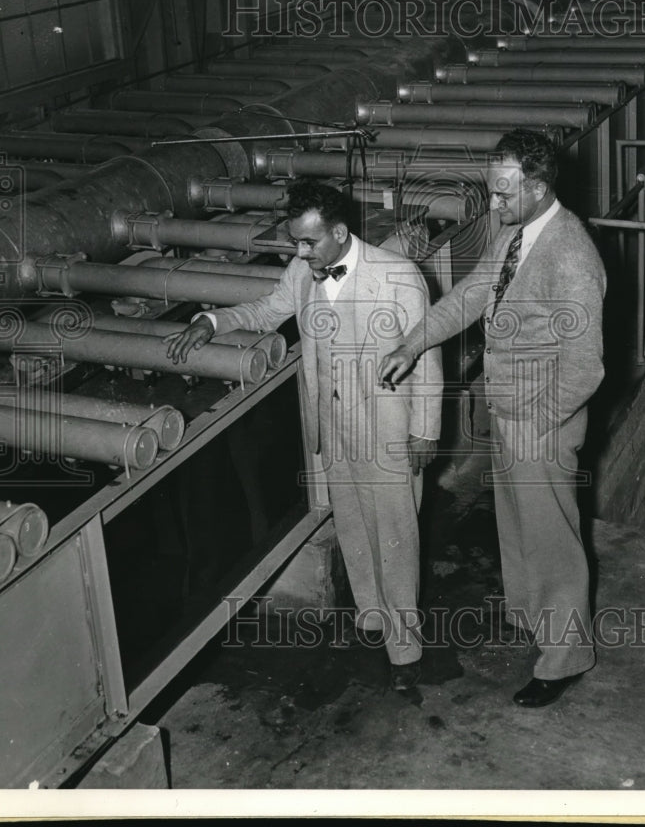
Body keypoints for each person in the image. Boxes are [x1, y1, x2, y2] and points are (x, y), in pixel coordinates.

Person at [165, 178, 443, 691]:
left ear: (339, 233)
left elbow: (426, 359)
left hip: (388, 432)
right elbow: (268, 310)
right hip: (334, 429)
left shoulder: (399, 276)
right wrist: (211, 322)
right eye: (296, 242)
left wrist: (426, 431)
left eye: (308, 242)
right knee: (355, 527)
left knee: (397, 538)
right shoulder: (303, 270)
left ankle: (406, 649)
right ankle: (372, 617)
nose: (299, 252)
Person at [379, 128, 606, 708]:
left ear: (536, 186)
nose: (495, 205)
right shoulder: (515, 231)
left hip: (545, 422)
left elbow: (585, 369)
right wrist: (413, 341)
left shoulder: (571, 254)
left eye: (504, 195)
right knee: (517, 526)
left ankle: (565, 657)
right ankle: (532, 619)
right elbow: (473, 294)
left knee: (553, 540)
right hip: (509, 409)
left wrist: (537, 426)